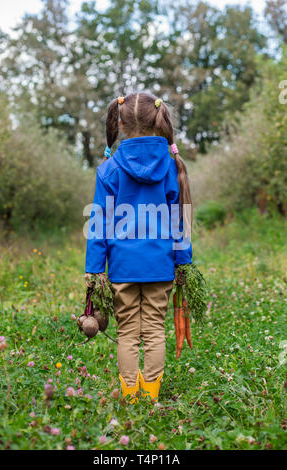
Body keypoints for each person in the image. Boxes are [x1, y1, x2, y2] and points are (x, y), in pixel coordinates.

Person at [85, 92, 192, 402]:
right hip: (161, 266)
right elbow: (179, 222)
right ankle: (151, 394)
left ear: (119, 123)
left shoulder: (109, 169)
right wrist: (182, 262)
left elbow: (98, 224)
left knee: (128, 332)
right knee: (155, 330)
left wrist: (94, 270)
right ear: (158, 121)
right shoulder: (173, 167)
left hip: (122, 268)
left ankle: (131, 395)